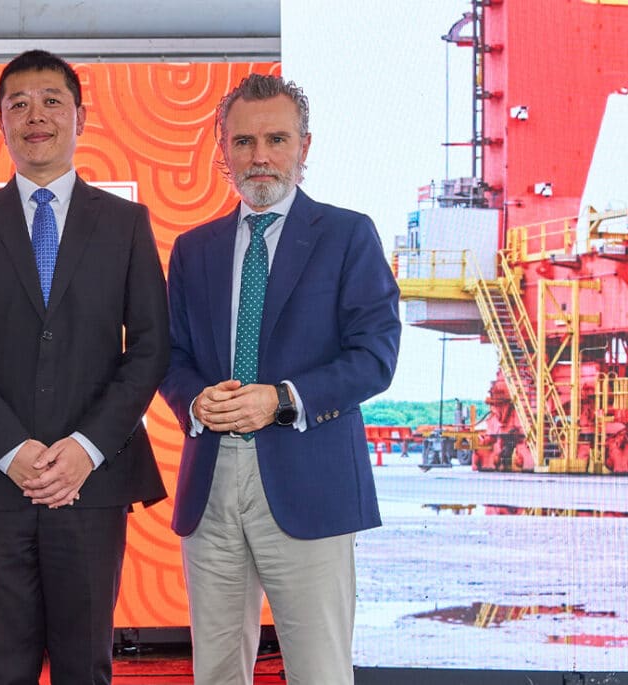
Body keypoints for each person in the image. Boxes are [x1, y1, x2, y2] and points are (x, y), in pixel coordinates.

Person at [0, 49, 170, 684]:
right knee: (2, 665)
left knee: (85, 665)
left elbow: (148, 347)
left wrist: (85, 449)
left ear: (80, 118)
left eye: (51, 101)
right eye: (18, 104)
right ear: (1, 122)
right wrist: (15, 451)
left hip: (94, 482)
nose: (35, 116)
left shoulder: (125, 223)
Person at [158, 74, 401, 685]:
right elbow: (170, 355)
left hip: (311, 483)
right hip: (210, 486)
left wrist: (283, 400)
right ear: (223, 149)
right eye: (242, 142)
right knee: (215, 671)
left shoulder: (348, 235)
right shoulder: (194, 249)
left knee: (319, 671)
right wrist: (196, 401)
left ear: (305, 146)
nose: (258, 156)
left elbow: (376, 354)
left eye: (275, 139)